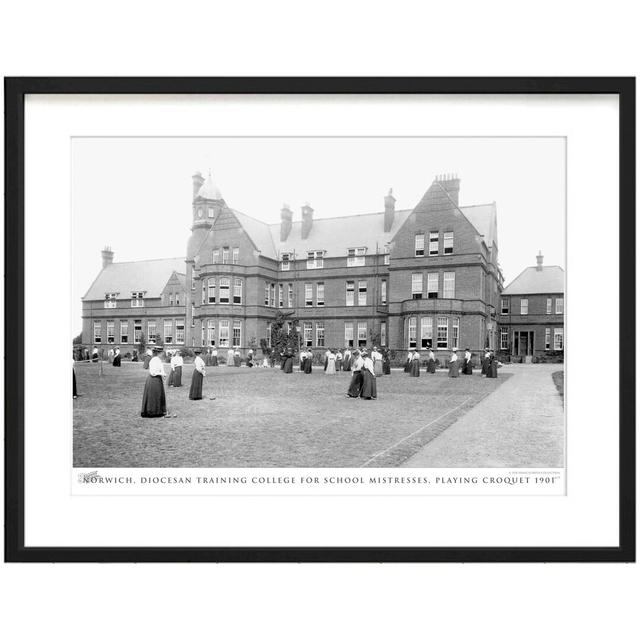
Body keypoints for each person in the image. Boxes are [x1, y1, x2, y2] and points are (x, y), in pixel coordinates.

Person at [140, 346, 167, 418]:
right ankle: (152, 411)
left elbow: (160, 369)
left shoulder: (158, 360)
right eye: (161, 353)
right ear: (158, 353)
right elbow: (153, 372)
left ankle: (157, 410)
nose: (162, 354)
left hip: (157, 379)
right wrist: (162, 374)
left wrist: (162, 373)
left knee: (157, 395)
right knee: (153, 395)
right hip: (153, 380)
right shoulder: (154, 360)